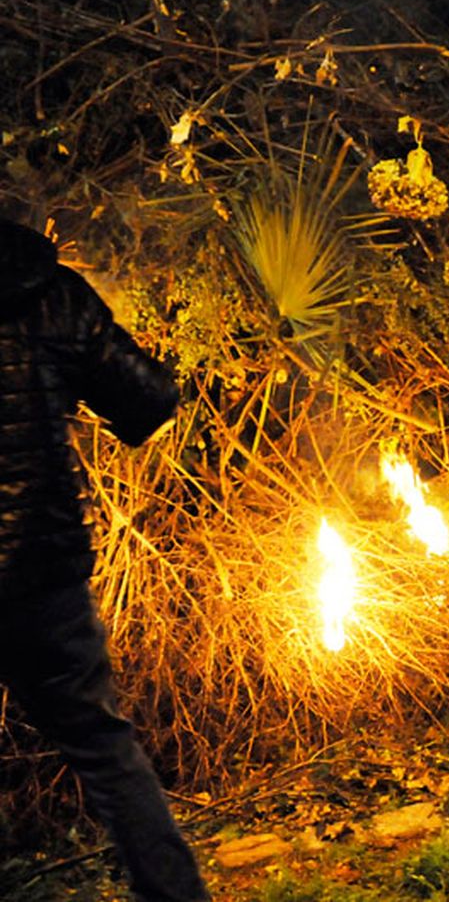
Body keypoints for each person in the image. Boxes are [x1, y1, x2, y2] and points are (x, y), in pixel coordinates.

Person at [0, 218, 209, 902]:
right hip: (41, 567)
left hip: (44, 568)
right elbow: (148, 398)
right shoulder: (49, 293)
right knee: (105, 748)